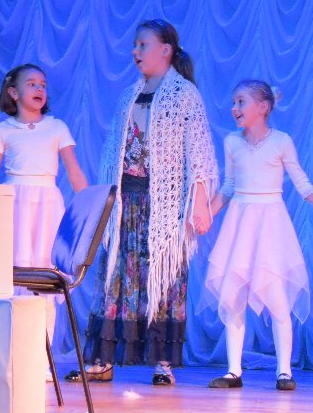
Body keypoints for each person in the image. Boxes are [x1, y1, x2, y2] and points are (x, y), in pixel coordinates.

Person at [70, 19, 219, 385]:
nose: (135, 51)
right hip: (127, 202)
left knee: (164, 278)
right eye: (135, 45)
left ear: (165, 50)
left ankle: (163, 363)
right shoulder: (129, 95)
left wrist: (200, 203)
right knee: (116, 277)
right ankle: (102, 360)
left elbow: (199, 154)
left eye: (143, 44)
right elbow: (114, 152)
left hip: (163, 204)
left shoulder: (185, 95)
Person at [205, 80, 313, 391]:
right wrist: (206, 215)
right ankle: (233, 371)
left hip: (271, 224)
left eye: (241, 102)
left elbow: (302, 184)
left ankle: (284, 371)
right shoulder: (232, 143)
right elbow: (229, 186)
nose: (234, 108)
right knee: (234, 295)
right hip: (240, 223)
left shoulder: (281, 141)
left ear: (262, 107)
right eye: (234, 102)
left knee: (277, 296)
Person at [0, 63, 88, 360]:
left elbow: (74, 172)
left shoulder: (57, 127)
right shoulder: (4, 130)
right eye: (31, 84)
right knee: (13, 276)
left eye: (43, 84)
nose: (40, 89)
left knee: (45, 277)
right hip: (14, 205)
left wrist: (89, 210)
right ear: (13, 93)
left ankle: (41, 360)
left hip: (47, 208)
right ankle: (14, 357)